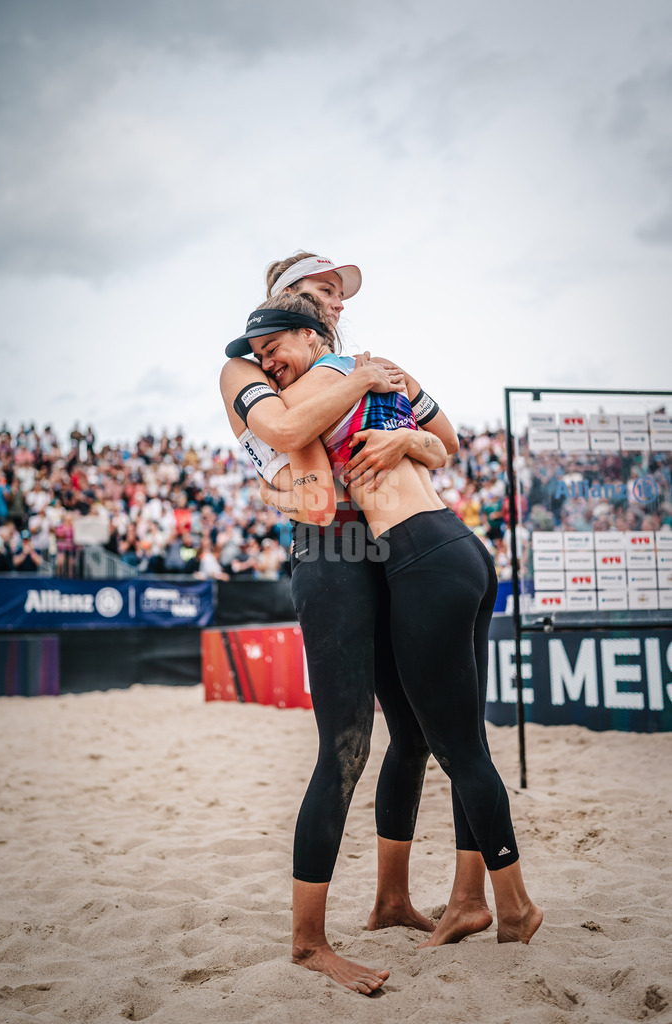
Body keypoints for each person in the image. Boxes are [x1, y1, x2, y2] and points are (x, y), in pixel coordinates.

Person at [229, 288, 543, 976]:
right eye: (319, 296)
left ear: (310, 334)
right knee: (440, 741)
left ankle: (509, 903)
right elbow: (433, 443)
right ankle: (447, 901)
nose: (265, 363)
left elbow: (299, 437)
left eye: (271, 349)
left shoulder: (337, 376)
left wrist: (399, 429)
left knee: (454, 747)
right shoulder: (365, 375)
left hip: (416, 555)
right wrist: (401, 423)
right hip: (444, 546)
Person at [221, 257, 461, 994]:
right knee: (346, 745)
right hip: (329, 551)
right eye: (318, 290)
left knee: (415, 734)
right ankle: (307, 942)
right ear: (282, 304)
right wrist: (356, 382)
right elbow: (296, 444)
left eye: (337, 293)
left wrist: (405, 440)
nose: (334, 300)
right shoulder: (246, 366)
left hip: (386, 548)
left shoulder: (347, 364)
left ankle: (391, 899)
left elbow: (445, 444)